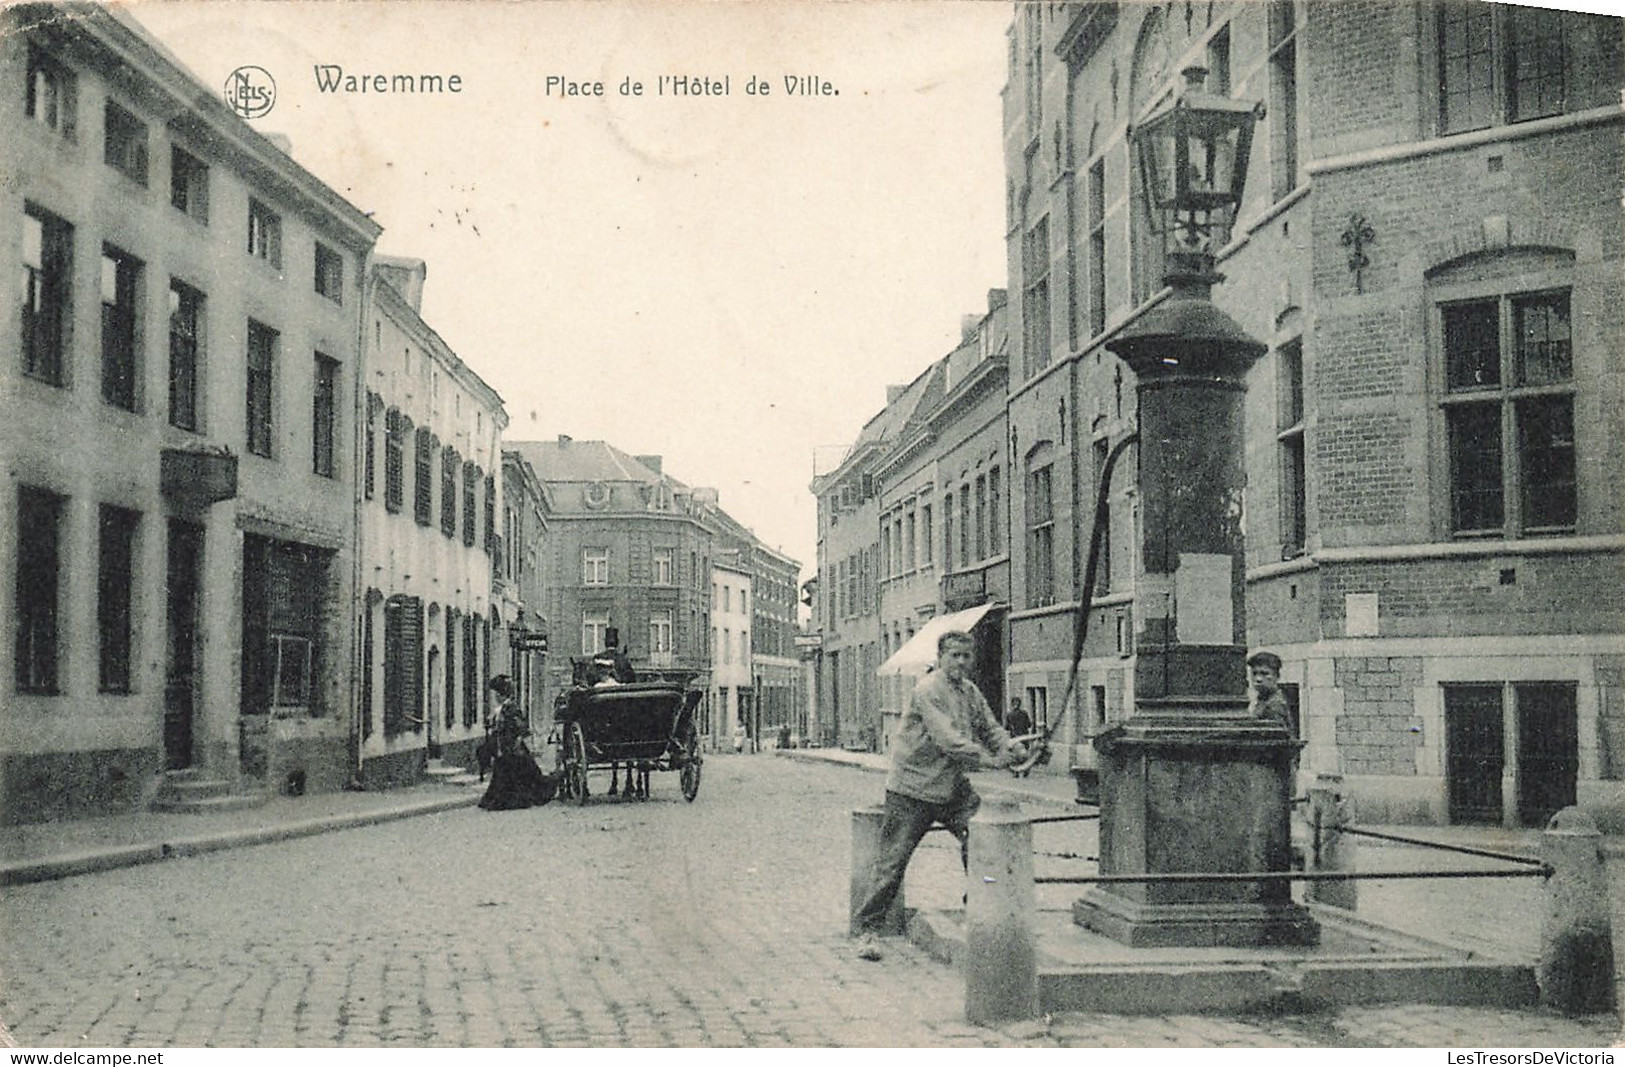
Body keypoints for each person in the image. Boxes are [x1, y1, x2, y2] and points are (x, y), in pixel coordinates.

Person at [852, 630, 1027, 961]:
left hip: (951, 787)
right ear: (940, 658)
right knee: (893, 862)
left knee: (982, 840)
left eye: (966, 656)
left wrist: (1010, 746)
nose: (961, 662)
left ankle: (977, 907)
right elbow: (949, 740)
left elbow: (989, 728)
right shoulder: (928, 691)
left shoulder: (970, 692)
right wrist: (992, 761)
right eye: (954, 656)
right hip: (913, 789)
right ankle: (867, 930)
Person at [478, 675, 558, 810]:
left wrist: (517, 742)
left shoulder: (511, 708)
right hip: (503, 747)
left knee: (515, 773)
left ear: (500, 694)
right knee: (502, 773)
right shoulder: (501, 709)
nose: (495, 697)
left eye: (497, 694)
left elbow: (521, 728)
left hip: (513, 749)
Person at [1247, 651, 1292, 731]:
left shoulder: (1275, 705)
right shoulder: (1262, 700)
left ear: (1277, 676)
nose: (1258, 679)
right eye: (1254, 673)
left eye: (1265, 674)